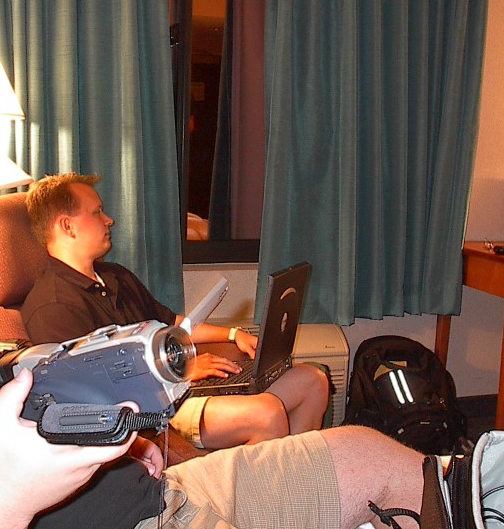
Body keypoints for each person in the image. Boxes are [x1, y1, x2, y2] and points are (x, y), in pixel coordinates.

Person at [0, 33, 428, 529]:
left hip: (149, 494)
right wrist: (11, 495)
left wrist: (114, 431)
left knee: (379, 460)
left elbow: (0, 380)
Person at [20, 173, 331, 450]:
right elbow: (90, 397)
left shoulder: (116, 276)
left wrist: (234, 335)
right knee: (267, 413)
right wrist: (182, 371)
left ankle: (295, 482)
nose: (109, 220)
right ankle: (268, 493)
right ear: (67, 226)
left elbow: (174, 324)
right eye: (97, 212)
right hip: (157, 410)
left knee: (313, 381)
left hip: (183, 389)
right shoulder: (54, 306)